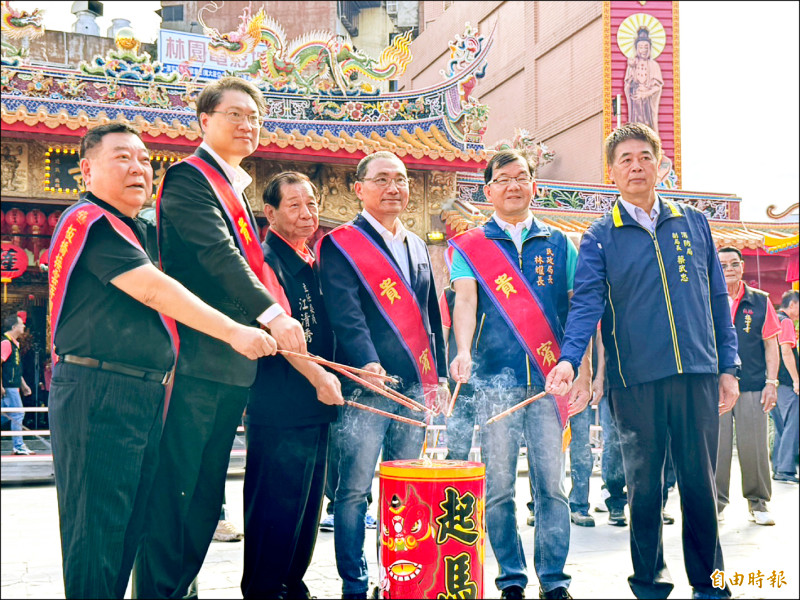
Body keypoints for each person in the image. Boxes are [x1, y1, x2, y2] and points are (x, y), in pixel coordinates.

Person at [47, 122, 276, 599]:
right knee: (99, 534)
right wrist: (236, 331)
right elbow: (153, 288)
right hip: (98, 392)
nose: (138, 168)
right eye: (122, 158)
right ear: (86, 169)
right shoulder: (90, 221)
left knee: (131, 529)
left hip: (147, 392)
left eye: (144, 159)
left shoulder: (140, 229)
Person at [547, 123, 740, 600]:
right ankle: (649, 582)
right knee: (644, 488)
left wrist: (728, 366)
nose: (636, 166)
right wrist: (571, 360)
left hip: (696, 371)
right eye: (625, 159)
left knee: (699, 483)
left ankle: (710, 584)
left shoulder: (693, 222)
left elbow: (717, 296)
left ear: (660, 164)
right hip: (636, 381)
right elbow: (586, 304)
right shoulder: (599, 236)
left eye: (644, 157)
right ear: (611, 172)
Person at [132, 77, 306, 599]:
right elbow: (219, 258)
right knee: (178, 498)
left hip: (228, 367)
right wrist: (274, 315)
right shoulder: (189, 179)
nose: (248, 124)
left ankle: (179, 589)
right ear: (204, 121)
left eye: (254, 115)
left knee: (204, 498)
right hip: (195, 363)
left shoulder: (232, 185)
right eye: (235, 114)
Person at [449, 149, 591, 600]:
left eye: (522, 178)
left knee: (552, 486)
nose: (514, 185)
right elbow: (465, 303)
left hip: (552, 382)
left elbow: (578, 313)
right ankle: (511, 577)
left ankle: (554, 580)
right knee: (499, 487)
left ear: (535, 186)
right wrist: (464, 351)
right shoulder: (470, 245)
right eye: (504, 179)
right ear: (487, 190)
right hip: (495, 383)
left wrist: (584, 372)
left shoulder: (560, 243)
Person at [317, 151, 449, 599]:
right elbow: (345, 311)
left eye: (401, 179)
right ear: (359, 188)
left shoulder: (415, 242)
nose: (394, 188)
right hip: (367, 385)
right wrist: (366, 361)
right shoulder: (341, 242)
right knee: (353, 490)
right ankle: (354, 582)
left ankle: (399, 576)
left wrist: (441, 377)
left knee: (404, 484)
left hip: (414, 383)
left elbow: (432, 314)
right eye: (382, 180)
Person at [241, 172, 344, 598]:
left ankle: (291, 584)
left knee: (306, 504)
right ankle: (265, 589)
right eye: (295, 205)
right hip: (279, 402)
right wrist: (320, 377)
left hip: (315, 403)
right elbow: (283, 334)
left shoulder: (311, 259)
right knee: (274, 504)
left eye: (312, 204)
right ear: (270, 213)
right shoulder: (266, 259)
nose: (307, 214)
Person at [715, 247, 780, 525]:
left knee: (754, 446)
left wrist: (771, 383)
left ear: (742, 267)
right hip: (713, 386)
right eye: (723, 265)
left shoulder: (760, 301)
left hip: (752, 384)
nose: (729, 269)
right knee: (714, 447)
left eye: (733, 264)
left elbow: (771, 345)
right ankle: (714, 503)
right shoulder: (706, 298)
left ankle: (758, 502)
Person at [589, 330, 628, 526]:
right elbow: (601, 340)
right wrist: (600, 377)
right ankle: (616, 502)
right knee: (614, 443)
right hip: (612, 381)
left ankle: (657, 503)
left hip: (644, 376)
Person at [439, 285, 477, 462]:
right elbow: (441, 338)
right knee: (458, 449)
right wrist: (440, 379)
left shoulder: (498, 287)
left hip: (495, 381)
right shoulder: (449, 295)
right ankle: (455, 488)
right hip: (459, 381)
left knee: (496, 451)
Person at [771, 290, 799, 482]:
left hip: (773, 381)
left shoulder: (773, 319)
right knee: (792, 425)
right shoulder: (786, 321)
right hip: (787, 383)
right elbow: (787, 352)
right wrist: (797, 380)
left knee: (782, 426)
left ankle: (779, 467)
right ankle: (786, 470)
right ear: (793, 304)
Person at [1, 314, 34, 455]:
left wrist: (23, 385)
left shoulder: (14, 344)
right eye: (21, 324)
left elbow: (15, 368)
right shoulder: (5, 343)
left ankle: (19, 445)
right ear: (14, 327)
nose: (24, 326)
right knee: (18, 413)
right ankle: (18, 445)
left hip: (13, 385)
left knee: (5, 415)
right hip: (8, 386)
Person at [624, 27, 663, 134]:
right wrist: (632, 68)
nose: (644, 50)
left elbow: (657, 87)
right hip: (636, 101)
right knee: (636, 128)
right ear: (637, 49)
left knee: (648, 128)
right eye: (641, 47)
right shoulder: (633, 64)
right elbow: (628, 85)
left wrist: (646, 94)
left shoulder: (654, 65)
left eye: (646, 47)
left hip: (647, 102)